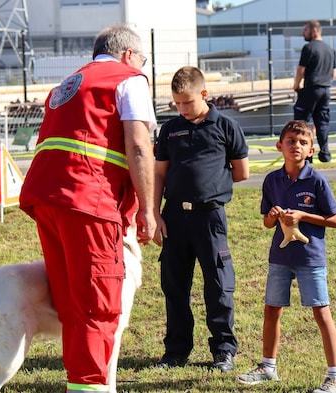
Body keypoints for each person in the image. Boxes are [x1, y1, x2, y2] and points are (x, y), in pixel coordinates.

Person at [18, 25, 156, 393]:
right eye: (143, 59)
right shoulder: (129, 79)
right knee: (98, 301)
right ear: (129, 55)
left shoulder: (69, 84)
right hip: (90, 199)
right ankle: (91, 387)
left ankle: (80, 381)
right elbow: (139, 145)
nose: (144, 66)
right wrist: (147, 209)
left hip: (48, 197)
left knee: (73, 301)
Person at [236, 120, 336, 392]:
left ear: (311, 150)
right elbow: (266, 223)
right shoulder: (272, 180)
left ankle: (335, 377)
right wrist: (272, 217)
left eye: (303, 142)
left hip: (310, 258)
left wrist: (303, 215)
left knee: (321, 311)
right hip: (280, 258)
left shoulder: (317, 180)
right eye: (290, 141)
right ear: (279, 146)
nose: (296, 146)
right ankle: (267, 367)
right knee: (272, 309)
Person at [153, 66, 249, 373]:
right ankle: (176, 351)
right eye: (177, 103)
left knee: (218, 286)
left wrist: (210, 187)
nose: (182, 108)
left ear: (204, 94)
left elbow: (241, 171)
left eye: (187, 102)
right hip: (174, 218)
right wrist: (154, 214)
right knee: (174, 286)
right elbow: (159, 174)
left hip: (209, 218)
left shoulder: (226, 127)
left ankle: (223, 350)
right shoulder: (170, 130)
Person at [293, 20, 336, 163]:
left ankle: (306, 156)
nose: (303, 33)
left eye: (305, 30)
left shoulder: (309, 48)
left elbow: (301, 70)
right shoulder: (330, 49)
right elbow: (334, 74)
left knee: (302, 122)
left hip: (311, 88)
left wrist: (296, 84)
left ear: (315, 31)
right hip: (325, 89)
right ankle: (325, 154)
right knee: (322, 121)